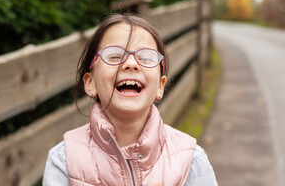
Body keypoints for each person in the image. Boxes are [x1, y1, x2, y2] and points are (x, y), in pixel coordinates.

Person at [43, 14, 217, 186]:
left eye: (146, 57)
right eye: (114, 56)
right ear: (90, 83)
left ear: (160, 86)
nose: (131, 63)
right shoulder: (64, 160)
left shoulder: (190, 159)